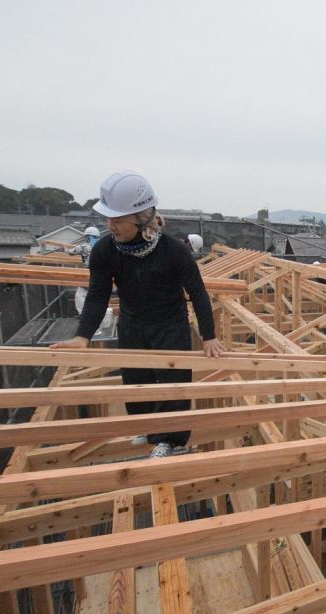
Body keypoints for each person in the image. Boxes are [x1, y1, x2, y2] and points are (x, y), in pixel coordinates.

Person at [51, 171, 225, 458]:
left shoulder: (173, 252)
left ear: (141, 218)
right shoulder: (106, 251)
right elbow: (97, 295)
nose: (111, 226)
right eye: (109, 219)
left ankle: (170, 439)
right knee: (135, 380)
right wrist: (83, 336)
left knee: (173, 384)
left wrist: (209, 336)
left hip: (171, 325)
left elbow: (197, 292)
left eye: (118, 220)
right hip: (132, 323)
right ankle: (146, 428)